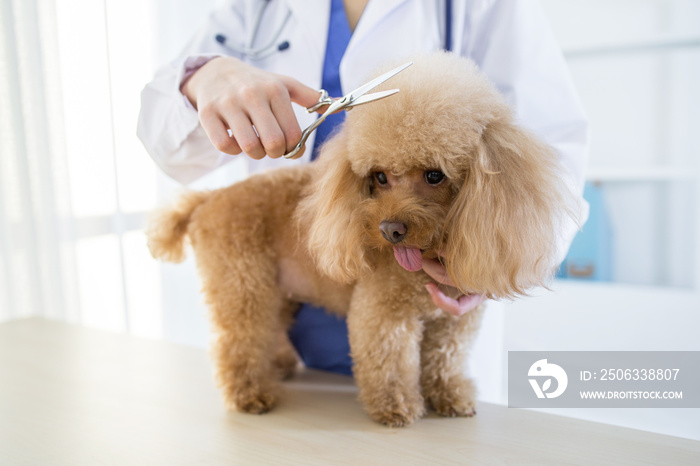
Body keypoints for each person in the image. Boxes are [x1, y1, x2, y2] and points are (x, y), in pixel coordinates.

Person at [137, 0, 589, 376]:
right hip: (294, 336)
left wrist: (499, 254)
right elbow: (164, 140)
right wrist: (200, 79)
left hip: (436, 312)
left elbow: (553, 150)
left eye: (431, 175)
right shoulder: (255, 7)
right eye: (381, 178)